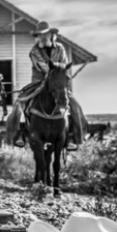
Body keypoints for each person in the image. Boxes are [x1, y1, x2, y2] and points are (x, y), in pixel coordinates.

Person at [8, 22, 85, 150]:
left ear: (51, 35)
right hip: (39, 82)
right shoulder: (34, 51)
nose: (43, 37)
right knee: (20, 103)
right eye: (40, 35)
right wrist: (55, 71)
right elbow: (42, 66)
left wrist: (59, 75)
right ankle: (21, 134)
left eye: (45, 34)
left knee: (75, 106)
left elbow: (64, 66)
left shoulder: (60, 48)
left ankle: (73, 136)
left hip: (59, 83)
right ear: (37, 37)